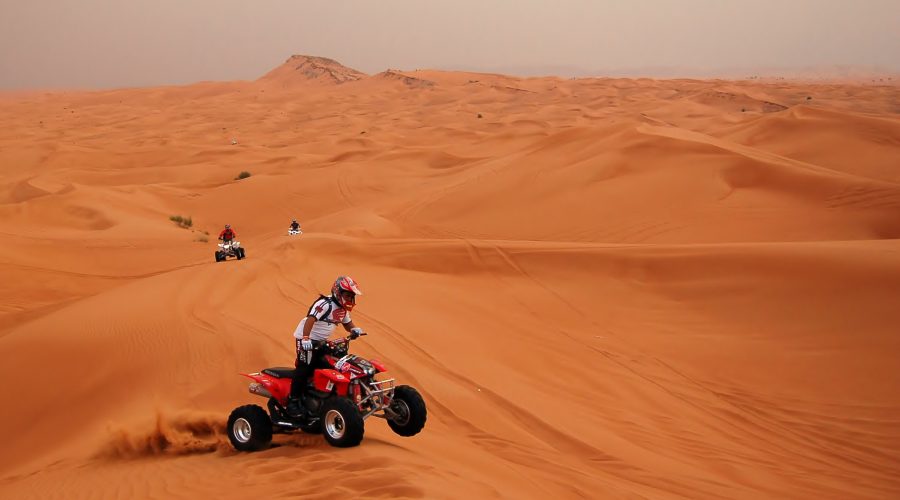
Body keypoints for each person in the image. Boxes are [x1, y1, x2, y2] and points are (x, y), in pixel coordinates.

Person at [287, 275, 365, 417]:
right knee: (305, 367)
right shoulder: (325, 304)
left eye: (351, 296)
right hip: (306, 338)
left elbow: (347, 324)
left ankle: (327, 396)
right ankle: (293, 401)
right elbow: (311, 319)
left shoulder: (342, 309)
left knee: (336, 363)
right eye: (347, 295)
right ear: (338, 292)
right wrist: (305, 338)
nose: (349, 299)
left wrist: (354, 329)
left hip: (322, 341)